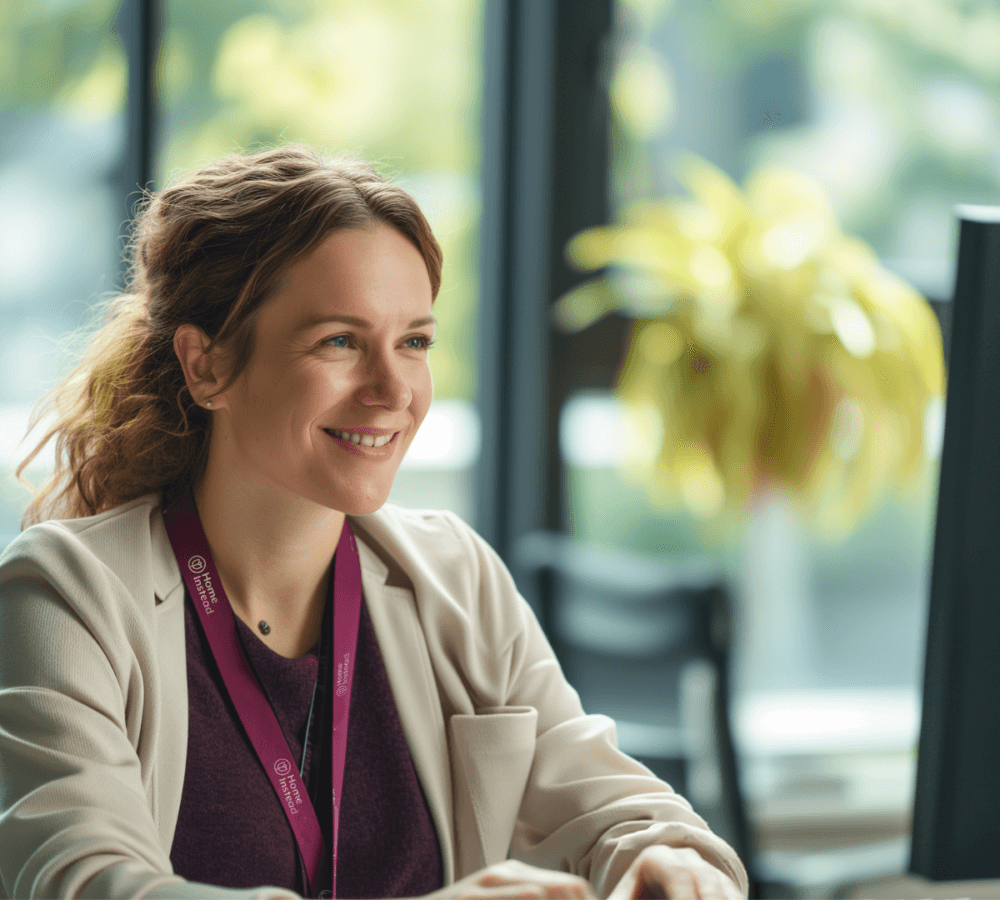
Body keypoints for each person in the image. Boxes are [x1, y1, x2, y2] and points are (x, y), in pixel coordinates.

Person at [0, 144, 748, 900]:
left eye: (414, 342)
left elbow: (619, 807)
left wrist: (672, 860)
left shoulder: (456, 574)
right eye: (340, 342)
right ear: (207, 365)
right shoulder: (65, 595)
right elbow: (80, 880)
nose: (395, 389)